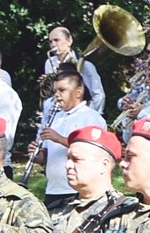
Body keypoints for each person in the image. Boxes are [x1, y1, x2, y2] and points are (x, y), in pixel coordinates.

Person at [30, 69, 105, 210]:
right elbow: (47, 155)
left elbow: (92, 151)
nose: (57, 95)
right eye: (55, 91)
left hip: (78, 191)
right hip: (54, 189)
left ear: (78, 92)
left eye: (62, 90)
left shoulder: (91, 117)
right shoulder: (56, 118)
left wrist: (58, 138)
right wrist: (37, 155)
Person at [41, 26, 106, 115]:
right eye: (50, 42)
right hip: (58, 114)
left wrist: (92, 114)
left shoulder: (85, 65)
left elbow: (98, 94)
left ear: (69, 41)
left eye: (56, 40)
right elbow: (51, 93)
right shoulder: (49, 63)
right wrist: (46, 85)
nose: (53, 44)